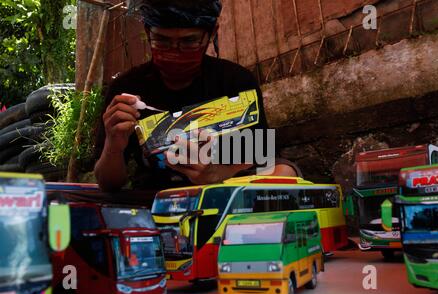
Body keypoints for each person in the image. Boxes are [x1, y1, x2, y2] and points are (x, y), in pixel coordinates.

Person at [94, 0, 301, 192]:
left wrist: (217, 174)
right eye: (162, 41)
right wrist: (113, 146)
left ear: (212, 34)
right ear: (148, 33)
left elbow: (262, 160)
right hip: (154, 198)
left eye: (189, 41)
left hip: (222, 195)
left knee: (286, 172)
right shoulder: (126, 90)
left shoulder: (236, 82)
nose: (175, 52)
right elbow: (107, 183)